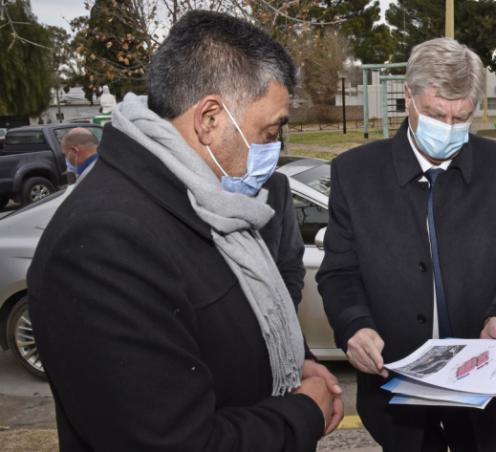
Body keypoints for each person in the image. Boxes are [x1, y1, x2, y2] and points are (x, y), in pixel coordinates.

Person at [27, 11, 342, 452]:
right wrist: (303, 413)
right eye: (269, 132)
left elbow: (235, 329)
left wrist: (293, 364)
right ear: (210, 119)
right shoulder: (105, 245)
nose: (274, 150)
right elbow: (174, 439)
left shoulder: (208, 202)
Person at [316, 37, 496, 452]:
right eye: (437, 114)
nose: (450, 126)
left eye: (463, 117)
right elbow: (339, 272)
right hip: (396, 398)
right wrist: (355, 325)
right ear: (408, 97)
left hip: (485, 399)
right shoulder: (355, 174)